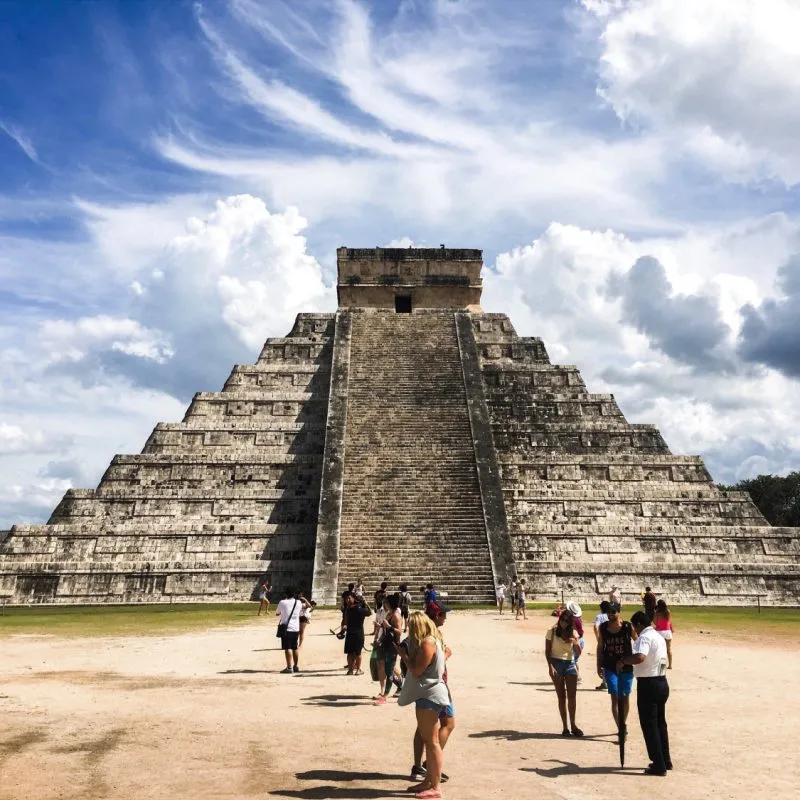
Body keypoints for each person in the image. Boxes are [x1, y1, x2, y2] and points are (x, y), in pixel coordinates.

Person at [396, 611, 450, 799]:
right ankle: (429, 780)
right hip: (429, 694)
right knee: (430, 740)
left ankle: (435, 786)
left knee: (432, 742)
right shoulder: (433, 641)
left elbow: (417, 671)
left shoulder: (427, 643)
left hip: (429, 694)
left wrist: (403, 656)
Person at [617, 610, 671, 776]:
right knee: (660, 723)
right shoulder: (658, 636)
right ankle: (665, 759)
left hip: (649, 683)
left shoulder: (645, 637)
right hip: (662, 681)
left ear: (639, 625)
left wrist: (624, 660)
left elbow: (640, 657)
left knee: (650, 725)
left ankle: (658, 763)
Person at [409, 602, 454, 787]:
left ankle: (422, 766)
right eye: (443, 614)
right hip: (435, 687)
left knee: (425, 728)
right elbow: (420, 666)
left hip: (434, 687)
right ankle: (431, 766)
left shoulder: (426, 637)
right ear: (435, 616)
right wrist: (445, 655)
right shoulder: (428, 638)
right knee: (445, 726)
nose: (445, 617)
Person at [596, 602, 636, 741]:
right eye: (608, 612)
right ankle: (620, 728)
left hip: (626, 666)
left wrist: (635, 660)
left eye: (613, 612)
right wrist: (598, 664)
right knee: (614, 696)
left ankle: (623, 724)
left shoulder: (627, 627)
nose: (610, 614)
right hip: (610, 666)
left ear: (619, 612)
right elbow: (600, 646)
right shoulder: (603, 627)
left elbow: (637, 642)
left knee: (625, 697)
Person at [545, 608, 583, 736]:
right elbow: (547, 650)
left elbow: (578, 652)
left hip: (570, 664)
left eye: (567, 621)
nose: (564, 623)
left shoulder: (573, 633)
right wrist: (550, 666)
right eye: (562, 620)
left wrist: (575, 643)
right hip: (556, 663)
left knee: (572, 697)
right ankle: (565, 727)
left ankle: (573, 725)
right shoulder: (552, 631)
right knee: (561, 697)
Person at [374, 593, 404, 704]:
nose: (384, 604)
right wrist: (379, 639)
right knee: (388, 670)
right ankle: (401, 685)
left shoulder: (396, 615)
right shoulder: (389, 614)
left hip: (393, 646)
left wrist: (389, 626)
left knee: (389, 671)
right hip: (385, 644)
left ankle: (385, 695)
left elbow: (399, 632)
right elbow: (385, 629)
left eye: (386, 602)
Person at [342, 592, 372, 675]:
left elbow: (346, 622)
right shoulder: (359, 609)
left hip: (353, 632)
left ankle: (351, 670)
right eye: (346, 599)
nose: (347, 600)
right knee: (354, 653)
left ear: (353, 598)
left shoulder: (348, 609)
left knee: (352, 652)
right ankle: (357, 669)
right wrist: (366, 604)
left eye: (349, 598)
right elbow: (370, 612)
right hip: (356, 633)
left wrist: (344, 628)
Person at [275, 588, 303, 673]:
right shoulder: (298, 602)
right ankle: (295, 666)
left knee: (288, 647)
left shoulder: (282, 602)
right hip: (296, 628)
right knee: (295, 647)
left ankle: (289, 667)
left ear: (286, 594)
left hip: (286, 628)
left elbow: (277, 613)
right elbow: (299, 613)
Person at [593, 600, 611, 690]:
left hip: (602, 641)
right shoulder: (610, 616)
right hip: (610, 641)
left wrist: (598, 638)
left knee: (602, 660)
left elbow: (595, 627)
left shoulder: (599, 616)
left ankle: (605, 682)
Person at [654, 599, 674, 669]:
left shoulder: (657, 613)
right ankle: (670, 665)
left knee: (661, 650)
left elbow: (655, 623)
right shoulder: (668, 612)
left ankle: (662, 666)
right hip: (667, 632)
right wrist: (671, 628)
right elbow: (670, 621)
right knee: (668, 650)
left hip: (660, 632)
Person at [566, 601, 584, 678]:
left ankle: (576, 675)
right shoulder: (579, 619)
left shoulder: (571, 620)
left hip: (576, 639)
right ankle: (576, 675)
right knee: (575, 660)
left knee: (572, 660)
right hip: (581, 640)